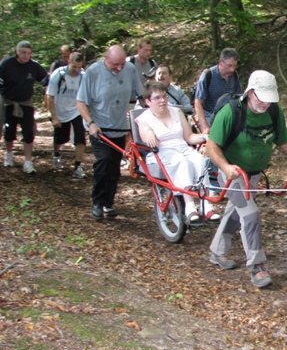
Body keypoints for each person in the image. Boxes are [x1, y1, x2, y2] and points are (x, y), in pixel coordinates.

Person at [206, 70, 287, 289]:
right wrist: (225, 166)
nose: (266, 103)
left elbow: (283, 139)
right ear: (250, 92)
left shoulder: (274, 112)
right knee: (250, 216)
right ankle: (258, 266)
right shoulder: (230, 112)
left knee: (237, 212)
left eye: (270, 99)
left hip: (254, 174)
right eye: (261, 98)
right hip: (232, 174)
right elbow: (211, 146)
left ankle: (217, 251)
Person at [135, 81, 220, 224]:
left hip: (182, 147)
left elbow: (189, 138)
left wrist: (206, 137)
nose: (162, 101)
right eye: (157, 98)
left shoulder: (176, 112)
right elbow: (147, 140)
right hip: (161, 152)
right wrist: (149, 133)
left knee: (200, 161)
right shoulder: (144, 119)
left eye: (164, 96)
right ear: (148, 101)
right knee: (182, 162)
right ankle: (189, 206)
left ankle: (205, 205)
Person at [77, 45, 143, 220]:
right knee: (104, 162)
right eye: (115, 64)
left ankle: (108, 202)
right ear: (106, 59)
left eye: (122, 63)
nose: (119, 67)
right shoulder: (93, 72)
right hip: (100, 128)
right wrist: (90, 123)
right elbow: (81, 102)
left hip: (119, 127)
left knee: (114, 167)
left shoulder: (129, 69)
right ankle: (97, 202)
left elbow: (141, 95)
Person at [1, 40, 49, 174]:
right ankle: (9, 154)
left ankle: (28, 161)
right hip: (8, 101)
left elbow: (47, 81)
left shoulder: (34, 66)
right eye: (23, 52)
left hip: (26, 103)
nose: (25, 56)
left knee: (28, 131)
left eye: (28, 53)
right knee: (9, 131)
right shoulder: (7, 64)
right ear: (17, 52)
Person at [46, 52, 87, 179]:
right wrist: (54, 116)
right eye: (74, 67)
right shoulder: (58, 75)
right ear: (69, 62)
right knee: (60, 138)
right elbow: (50, 96)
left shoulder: (83, 76)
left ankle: (77, 166)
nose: (76, 70)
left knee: (80, 138)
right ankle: (56, 154)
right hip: (61, 110)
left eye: (79, 67)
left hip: (76, 110)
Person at [194, 47, 241, 134]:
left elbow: (238, 98)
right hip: (210, 114)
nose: (232, 69)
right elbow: (198, 103)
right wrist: (205, 126)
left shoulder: (234, 76)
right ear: (221, 62)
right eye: (229, 65)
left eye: (234, 66)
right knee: (217, 137)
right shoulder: (208, 76)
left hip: (228, 114)